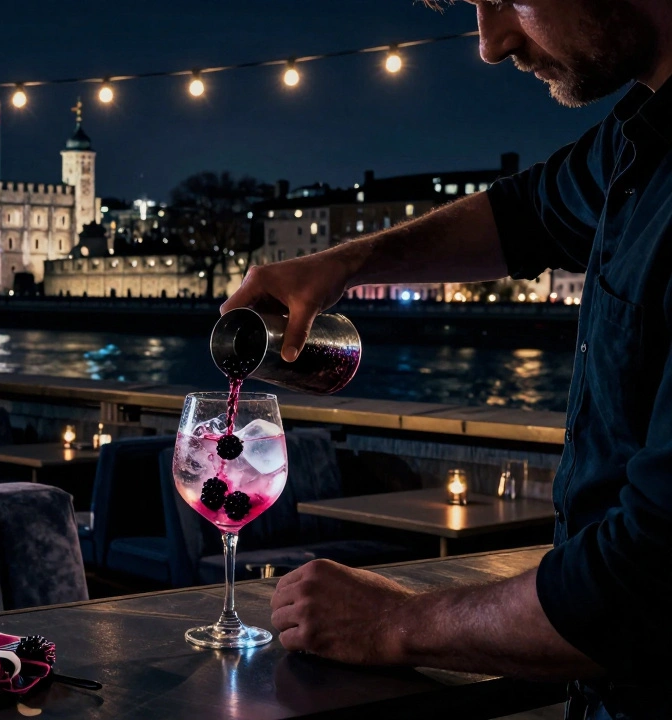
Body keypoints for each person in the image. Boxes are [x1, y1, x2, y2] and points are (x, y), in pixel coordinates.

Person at [221, 2, 672, 717]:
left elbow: (648, 588)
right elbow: (530, 212)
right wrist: (346, 262)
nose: (491, 43)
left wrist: (393, 624)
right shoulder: (645, 139)